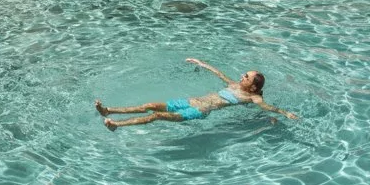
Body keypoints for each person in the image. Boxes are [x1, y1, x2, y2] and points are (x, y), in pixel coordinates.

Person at [95, 58, 297, 130]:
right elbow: (220, 75)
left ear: (253, 86)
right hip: (190, 101)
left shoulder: (253, 97)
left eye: (247, 76)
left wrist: (283, 113)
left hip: (198, 111)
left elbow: (266, 107)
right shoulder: (235, 85)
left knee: (155, 116)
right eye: (245, 74)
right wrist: (202, 64)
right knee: (149, 105)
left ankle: (117, 125)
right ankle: (108, 110)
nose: (242, 76)